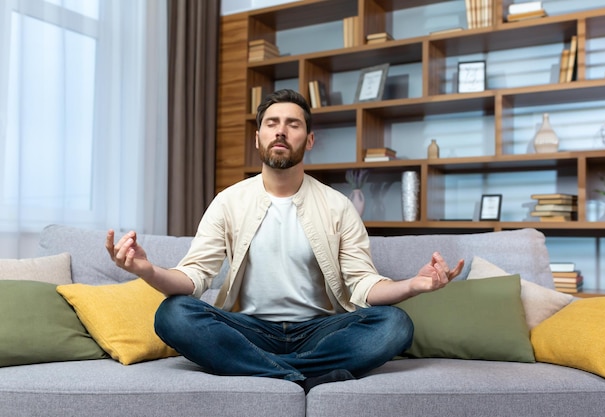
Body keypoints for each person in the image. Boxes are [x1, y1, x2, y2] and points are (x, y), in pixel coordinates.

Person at [106, 89, 463, 393]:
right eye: (272, 123)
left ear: (308, 140)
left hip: (320, 329)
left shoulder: (338, 207)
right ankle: (301, 377)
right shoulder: (228, 201)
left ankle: (261, 370)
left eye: (293, 124)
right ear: (258, 136)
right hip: (248, 327)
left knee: (395, 324)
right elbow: (193, 279)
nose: (281, 132)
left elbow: (364, 285)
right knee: (173, 313)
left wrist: (413, 285)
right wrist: (147, 270)